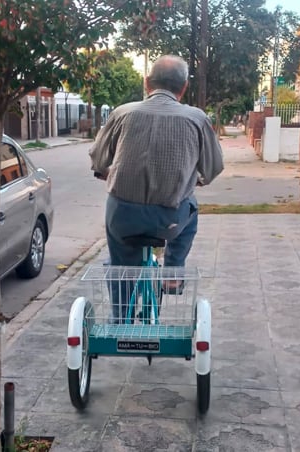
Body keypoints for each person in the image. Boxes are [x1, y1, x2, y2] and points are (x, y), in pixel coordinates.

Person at [89, 55, 224, 321]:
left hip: (123, 217)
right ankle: (172, 274)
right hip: (169, 220)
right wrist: (195, 179)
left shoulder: (122, 113)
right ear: (183, 87)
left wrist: (107, 172)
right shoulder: (196, 118)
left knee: (120, 266)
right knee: (192, 209)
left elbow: (98, 159)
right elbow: (213, 167)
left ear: (147, 83)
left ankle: (120, 320)